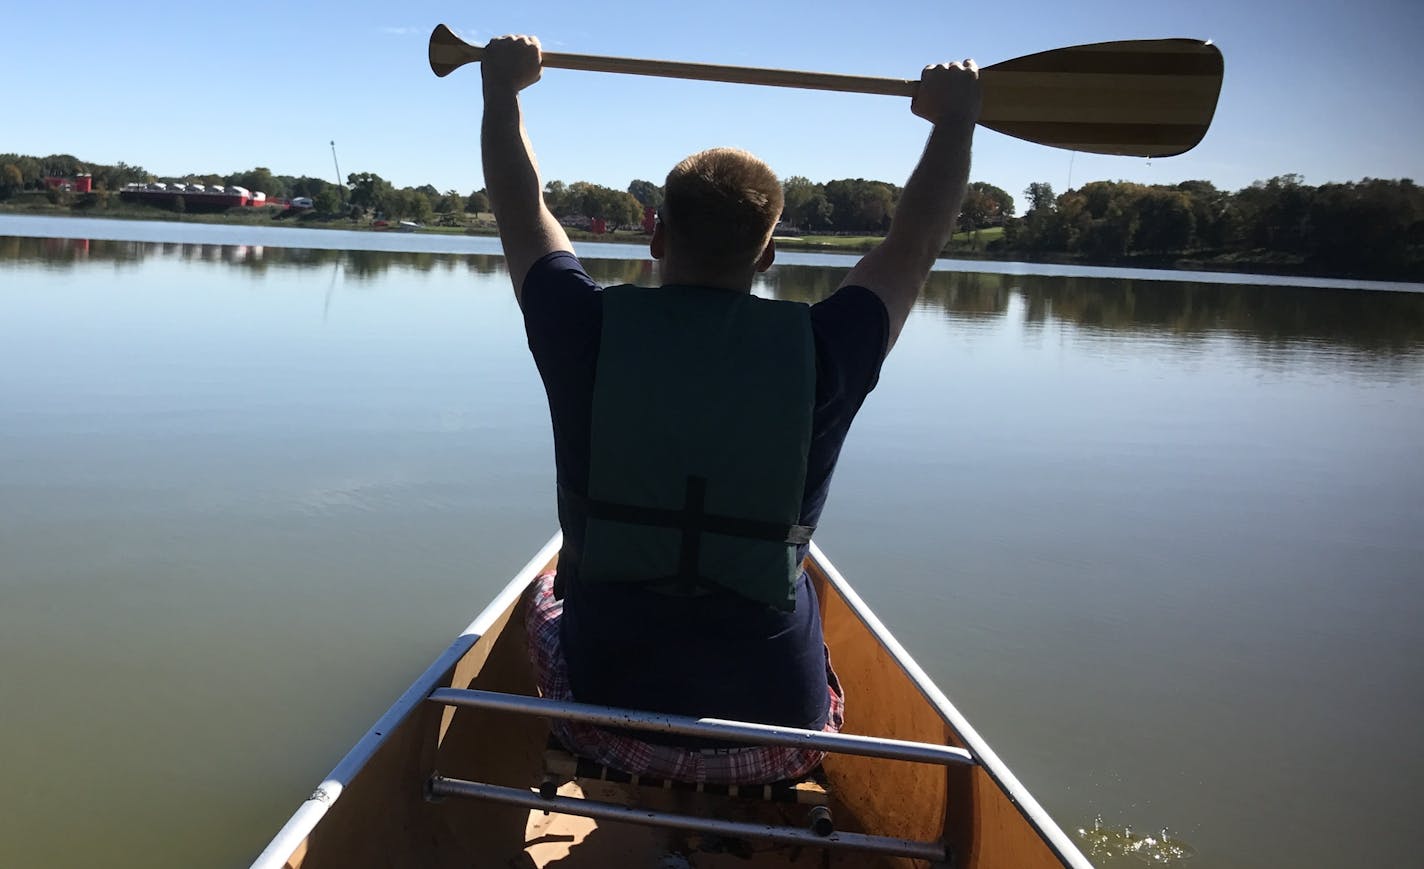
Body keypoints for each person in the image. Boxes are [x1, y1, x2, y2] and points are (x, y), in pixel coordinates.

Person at [480, 34, 980, 785]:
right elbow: (915, 242)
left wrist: (502, 92)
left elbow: (522, 208)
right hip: (783, 737)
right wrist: (955, 123)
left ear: (655, 235)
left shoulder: (580, 329)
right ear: (768, 255)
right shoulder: (829, 349)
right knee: (801, 585)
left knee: (548, 590)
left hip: (611, 722)